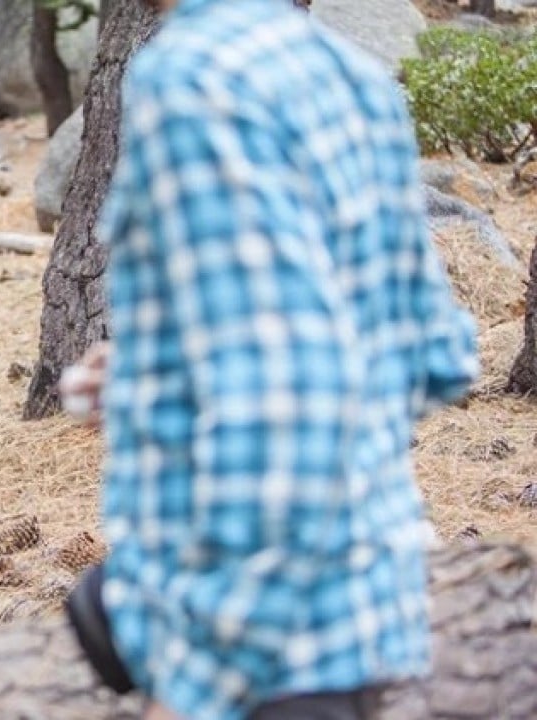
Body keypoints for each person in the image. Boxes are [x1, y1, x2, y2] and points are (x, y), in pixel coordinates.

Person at [57, 1, 480, 719]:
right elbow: (431, 352)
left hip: (267, 663)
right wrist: (160, 381)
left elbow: (298, 396)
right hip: (364, 623)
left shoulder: (193, 79)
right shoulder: (351, 76)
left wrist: (201, 671)